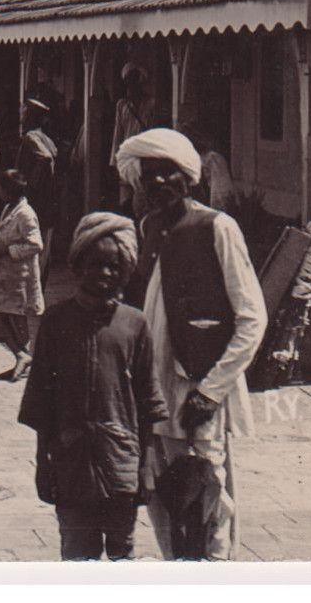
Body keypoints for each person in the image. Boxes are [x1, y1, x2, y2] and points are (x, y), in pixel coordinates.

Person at [115, 127, 265, 562]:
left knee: (207, 497)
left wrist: (211, 390)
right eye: (150, 176)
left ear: (188, 177)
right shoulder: (148, 229)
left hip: (195, 389)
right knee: (162, 497)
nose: (159, 184)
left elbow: (252, 317)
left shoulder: (217, 228)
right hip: (152, 389)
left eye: (168, 174)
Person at [18, 211, 166, 560]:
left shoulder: (135, 325)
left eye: (114, 266)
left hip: (122, 464)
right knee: (76, 555)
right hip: (71, 464)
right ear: (78, 265)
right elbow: (41, 399)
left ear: (127, 270)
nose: (104, 273)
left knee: (122, 554)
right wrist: (43, 463)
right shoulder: (56, 321)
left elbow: (148, 403)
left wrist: (146, 467)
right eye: (95, 264)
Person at [0, 170, 45, 381]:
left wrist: (9, 250)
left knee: (12, 316)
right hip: (7, 275)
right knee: (3, 313)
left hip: (21, 276)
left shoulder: (25, 214)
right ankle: (22, 359)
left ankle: (22, 356)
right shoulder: (8, 209)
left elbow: (36, 244)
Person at [16, 97, 62, 286]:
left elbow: (44, 158)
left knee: (34, 246)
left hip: (37, 201)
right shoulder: (47, 138)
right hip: (48, 201)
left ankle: (33, 293)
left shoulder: (31, 137)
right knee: (44, 248)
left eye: (25, 112)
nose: (22, 116)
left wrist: (30, 186)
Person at [110, 63, 157, 212]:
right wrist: (115, 162)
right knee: (125, 202)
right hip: (126, 156)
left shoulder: (151, 104)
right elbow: (118, 134)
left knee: (143, 201)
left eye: (134, 81)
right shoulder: (122, 105)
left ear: (140, 82)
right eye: (128, 82)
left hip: (144, 157)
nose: (130, 86)